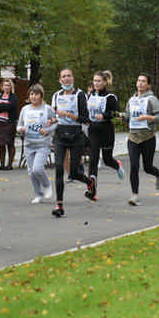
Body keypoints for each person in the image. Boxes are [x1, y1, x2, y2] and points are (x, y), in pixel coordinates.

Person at [50, 67, 95, 217]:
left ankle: (89, 182)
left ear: (73, 79)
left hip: (76, 135)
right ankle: (59, 205)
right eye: (64, 76)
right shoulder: (56, 95)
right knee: (58, 169)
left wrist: (69, 115)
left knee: (74, 173)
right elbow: (56, 115)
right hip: (60, 135)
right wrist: (52, 120)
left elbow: (86, 119)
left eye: (69, 76)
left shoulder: (80, 95)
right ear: (60, 80)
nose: (67, 79)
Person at [121, 73, 159, 205]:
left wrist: (148, 118)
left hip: (147, 138)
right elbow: (128, 115)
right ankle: (135, 195)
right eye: (139, 81)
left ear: (148, 85)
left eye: (143, 81)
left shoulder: (151, 99)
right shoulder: (131, 100)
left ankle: (157, 174)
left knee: (147, 167)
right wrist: (122, 116)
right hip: (133, 138)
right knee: (134, 166)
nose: (140, 83)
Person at [85, 70, 124, 197]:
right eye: (94, 81)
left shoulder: (110, 97)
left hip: (106, 130)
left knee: (107, 160)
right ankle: (92, 190)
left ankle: (117, 166)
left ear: (105, 82)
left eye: (99, 81)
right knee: (93, 159)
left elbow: (116, 113)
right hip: (93, 130)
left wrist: (104, 116)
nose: (96, 83)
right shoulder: (91, 95)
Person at [16, 83, 56, 203]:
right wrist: (20, 130)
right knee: (31, 172)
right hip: (29, 145)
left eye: (36, 94)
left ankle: (47, 185)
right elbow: (19, 125)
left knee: (37, 169)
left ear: (41, 96)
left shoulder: (46, 109)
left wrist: (47, 130)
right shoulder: (25, 109)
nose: (33, 96)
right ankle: (38, 194)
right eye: (32, 94)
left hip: (42, 144)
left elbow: (56, 123)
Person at [0, 78, 18, 170]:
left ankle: (9, 164)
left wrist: (0, 106)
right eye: (5, 85)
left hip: (9, 123)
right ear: (2, 87)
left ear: (11, 87)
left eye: (8, 85)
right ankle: (2, 164)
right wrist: (4, 106)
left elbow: (12, 106)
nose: (7, 87)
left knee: (10, 143)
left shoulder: (13, 97)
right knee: (1, 144)